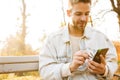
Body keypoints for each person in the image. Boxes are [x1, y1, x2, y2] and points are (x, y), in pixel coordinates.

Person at [39, 0, 118, 80]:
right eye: (78, 14)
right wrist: (70, 67)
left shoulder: (100, 37)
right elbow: (45, 71)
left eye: (87, 14)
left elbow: (113, 63)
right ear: (68, 13)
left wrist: (104, 70)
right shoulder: (53, 40)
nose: (83, 18)